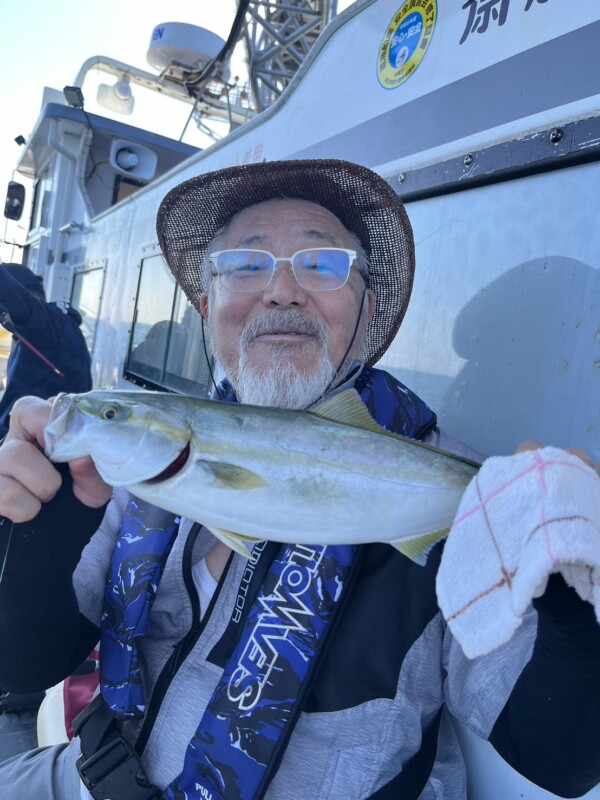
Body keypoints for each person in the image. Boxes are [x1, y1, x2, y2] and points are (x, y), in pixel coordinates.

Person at [0, 159, 597, 800]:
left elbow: (563, 761)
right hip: (88, 776)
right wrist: (47, 525)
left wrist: (564, 593)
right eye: (246, 265)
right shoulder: (132, 462)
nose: (282, 290)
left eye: (322, 263)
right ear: (208, 307)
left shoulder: (466, 491)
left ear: (367, 309)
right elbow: (25, 663)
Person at [0, 263, 92, 758]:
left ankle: (26, 692)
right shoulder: (57, 328)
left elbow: (14, 297)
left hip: (41, 461)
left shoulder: (44, 320)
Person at [0, 263, 92, 440]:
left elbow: (10, 292)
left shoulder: (52, 327)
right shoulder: (41, 331)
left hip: (34, 449)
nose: (3, 321)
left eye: (2, 312)